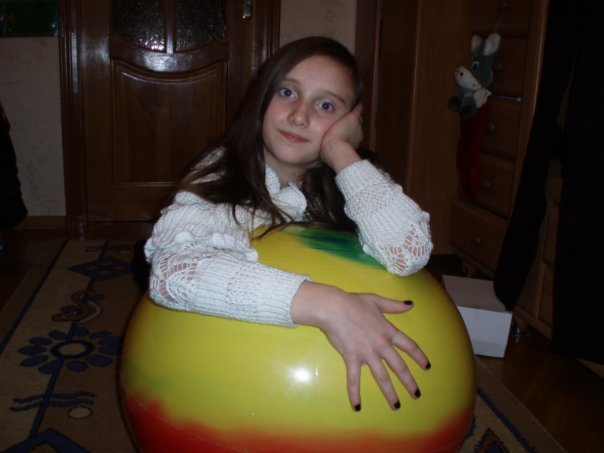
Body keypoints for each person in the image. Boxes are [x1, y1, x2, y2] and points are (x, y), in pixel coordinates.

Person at [144, 36, 433, 412]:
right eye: (287, 92)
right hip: (237, 383)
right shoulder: (221, 171)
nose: (299, 115)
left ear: (350, 121)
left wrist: (341, 153)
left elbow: (409, 252)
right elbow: (174, 274)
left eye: (325, 105)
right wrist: (331, 306)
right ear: (263, 97)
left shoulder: (358, 175)